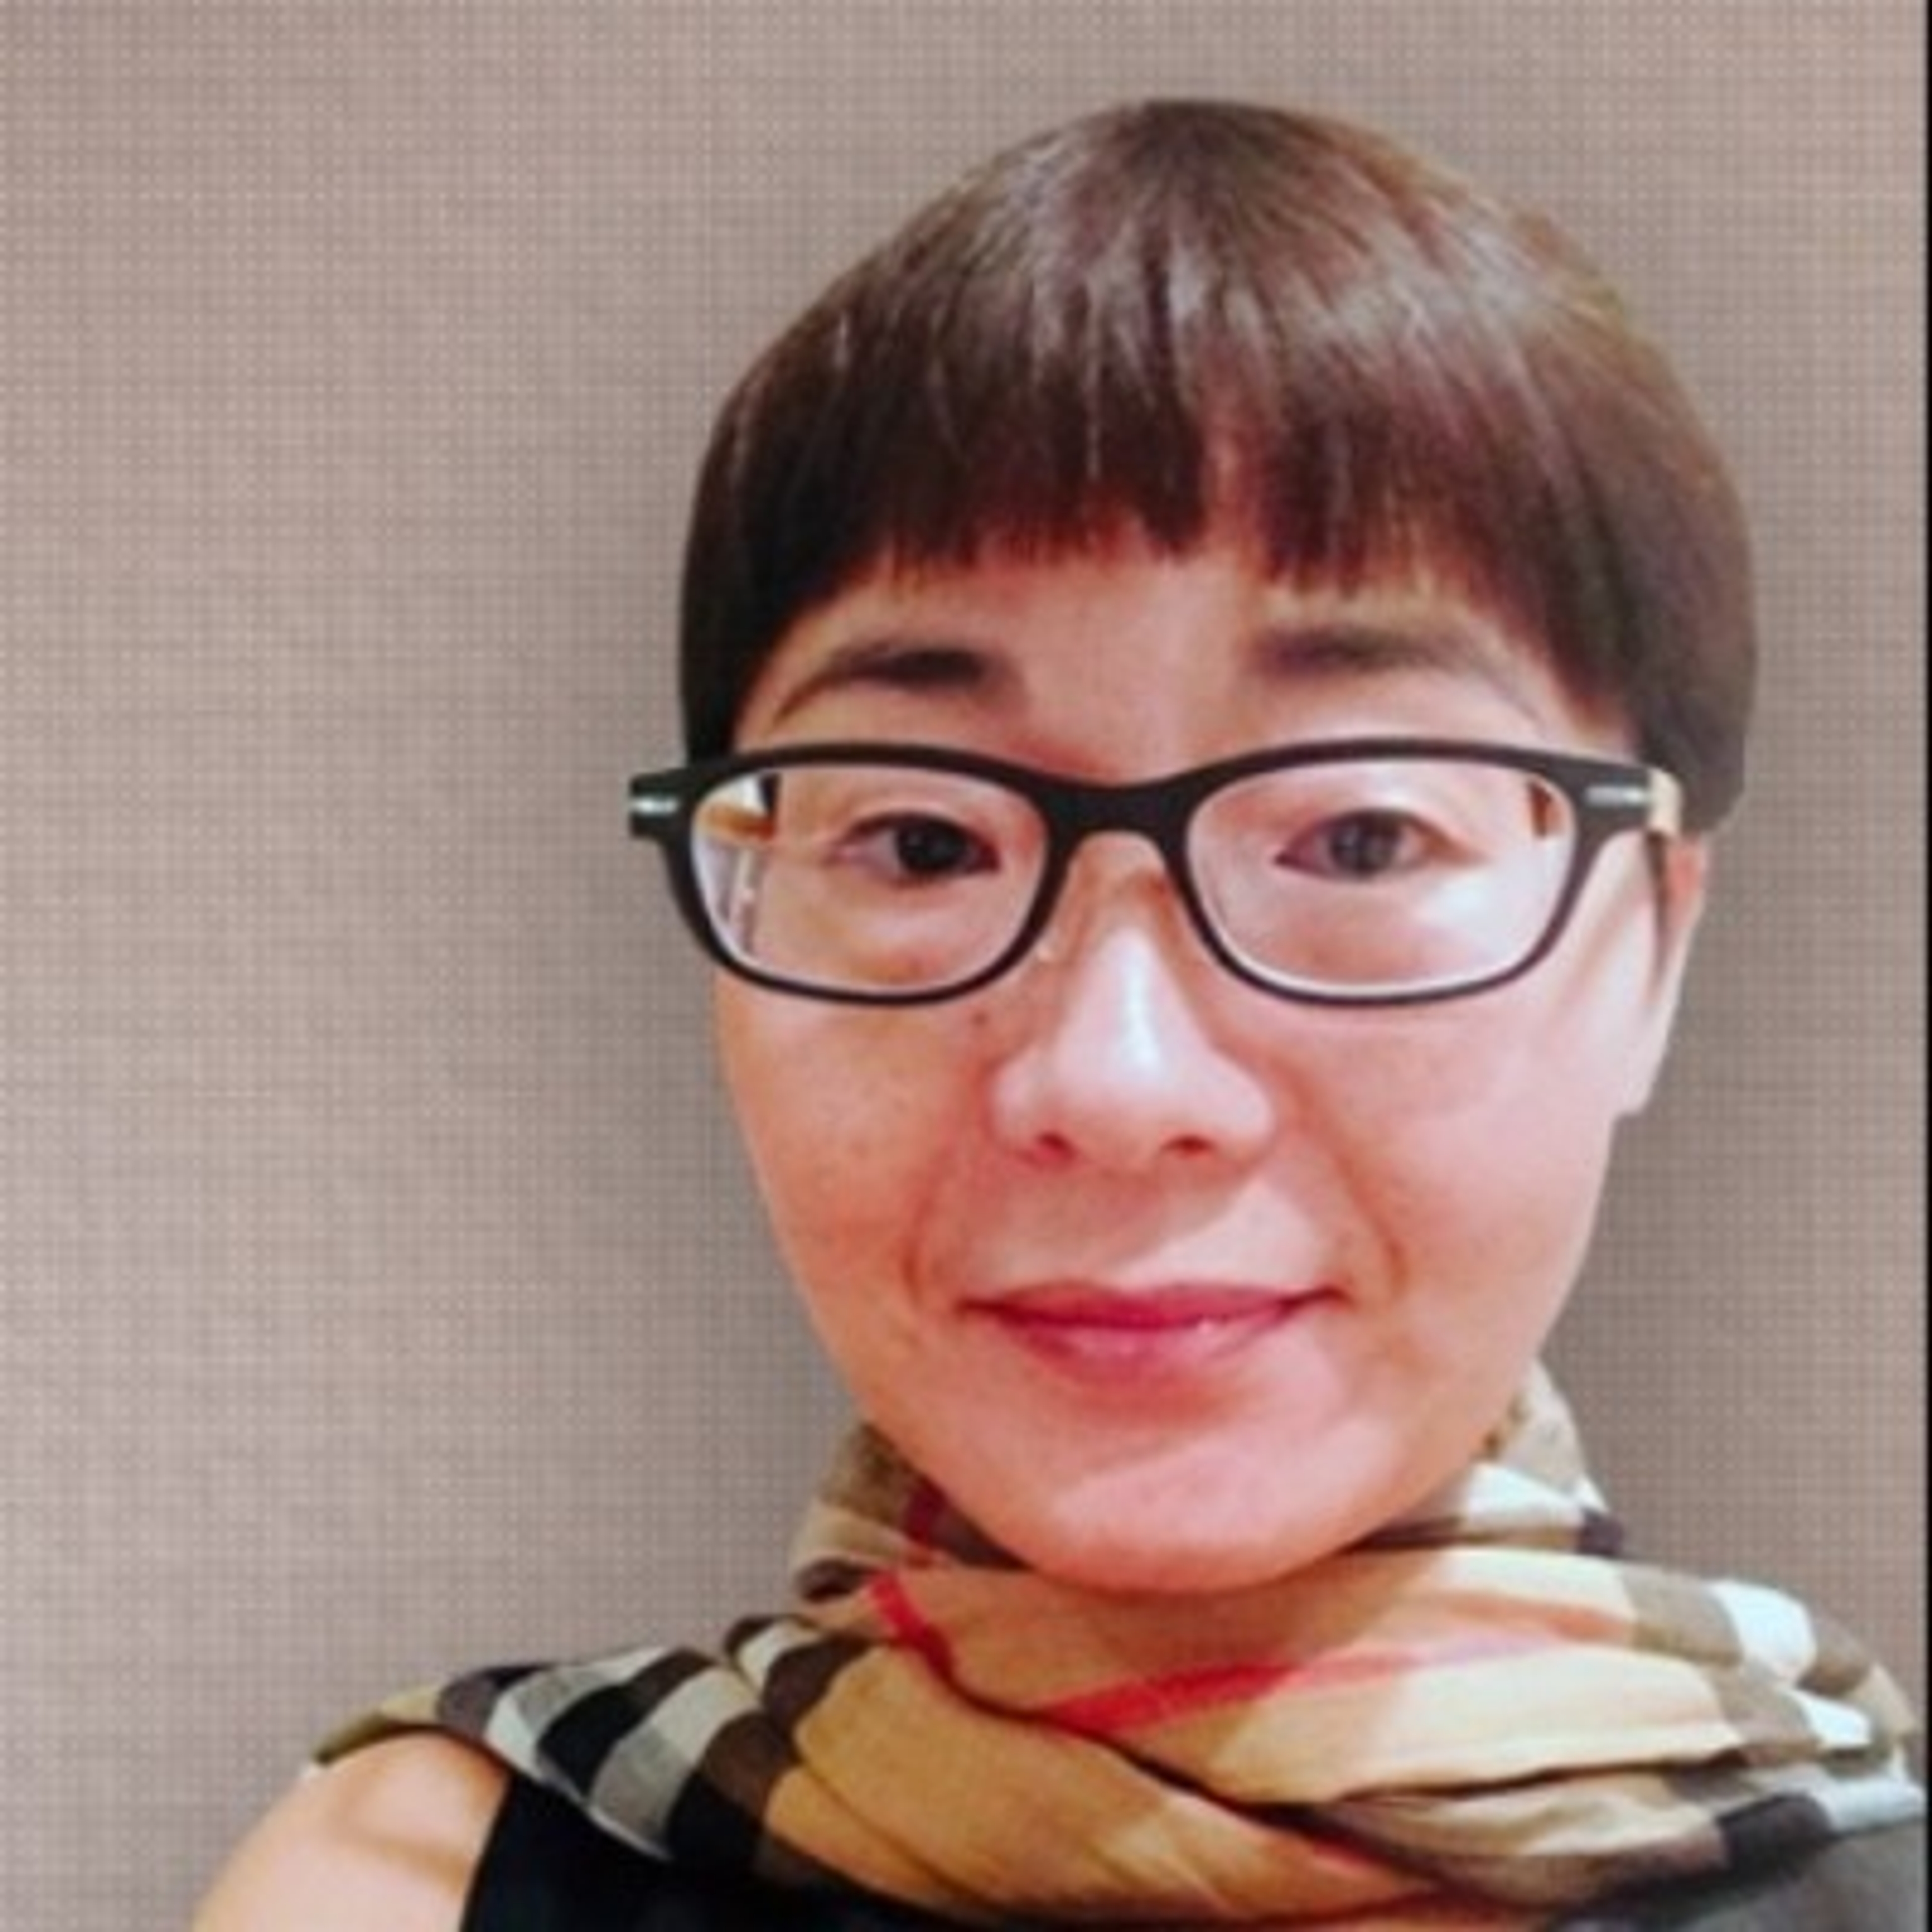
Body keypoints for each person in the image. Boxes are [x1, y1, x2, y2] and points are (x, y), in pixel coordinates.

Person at [196, 99, 1922, 1929]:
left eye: (1359, 836)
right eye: (924, 840)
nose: (1115, 1077)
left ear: (1652, 949)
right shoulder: (411, 1882)